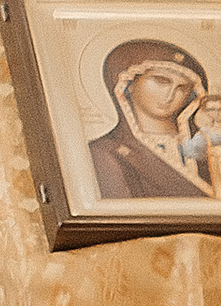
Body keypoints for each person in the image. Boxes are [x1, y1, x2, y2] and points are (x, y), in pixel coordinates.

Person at [86, 41, 212, 201]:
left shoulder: (207, 148)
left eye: (182, 88)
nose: (170, 94)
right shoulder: (105, 151)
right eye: (161, 80)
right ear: (130, 83)